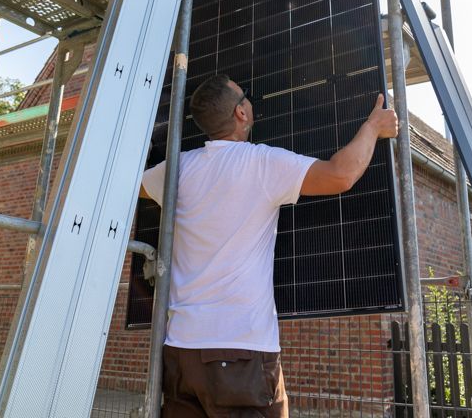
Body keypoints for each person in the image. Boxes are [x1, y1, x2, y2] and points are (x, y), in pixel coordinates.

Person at [139, 74, 398, 417]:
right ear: (240, 114)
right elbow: (340, 174)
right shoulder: (261, 163)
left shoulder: (176, 169)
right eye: (245, 97)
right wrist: (372, 126)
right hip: (240, 352)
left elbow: (130, 186)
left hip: (180, 351)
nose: (250, 102)